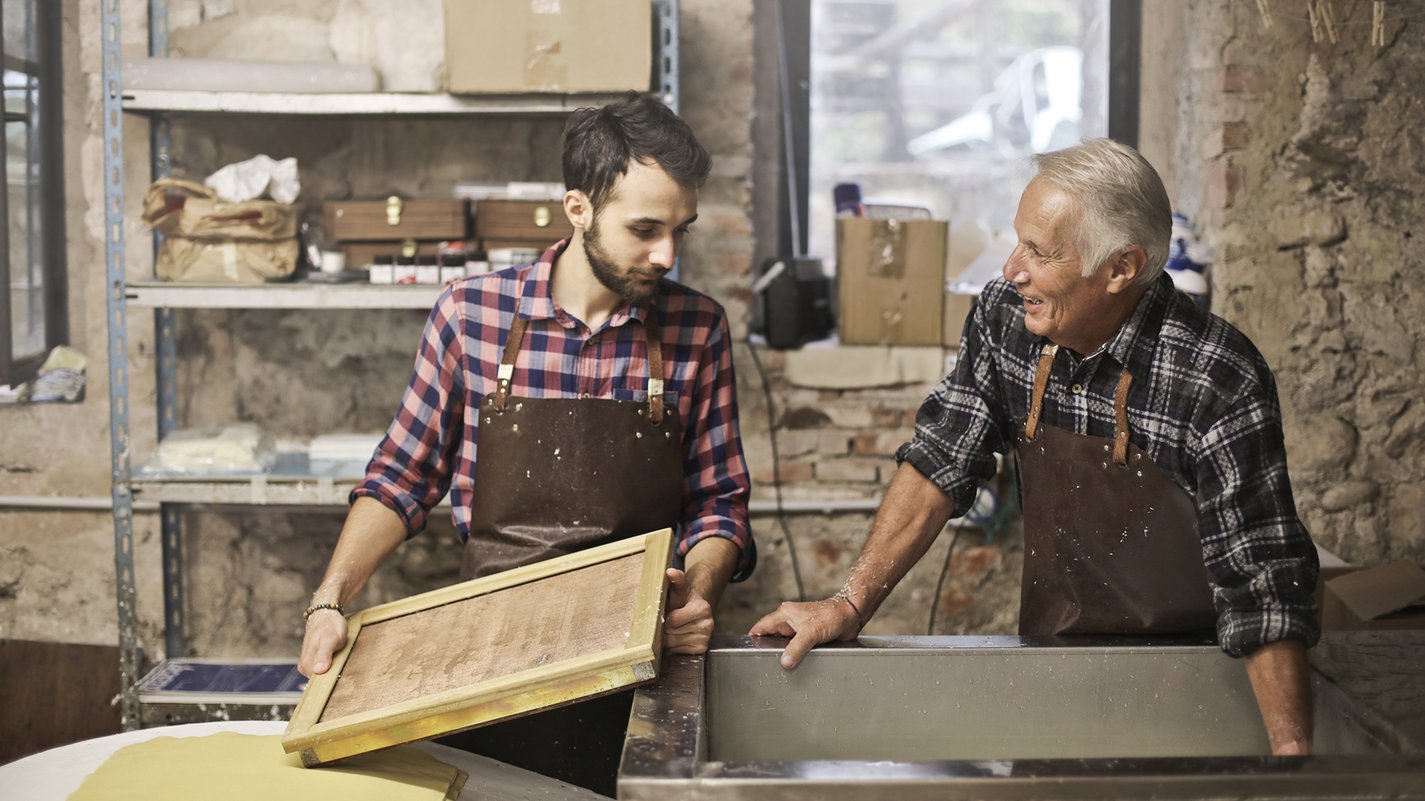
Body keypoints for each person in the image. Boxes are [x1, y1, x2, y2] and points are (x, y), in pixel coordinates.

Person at [751, 138, 1320, 757]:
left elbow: (1261, 585)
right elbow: (943, 458)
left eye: (1039, 253)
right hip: (1053, 668)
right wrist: (849, 602)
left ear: (1121, 268)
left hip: (1197, 686)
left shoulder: (1215, 376)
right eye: (1016, 241)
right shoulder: (1004, 321)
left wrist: (1289, 767)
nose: (1009, 270)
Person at [298, 93, 756, 794]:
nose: (666, 255)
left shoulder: (697, 329)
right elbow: (401, 477)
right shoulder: (470, 314)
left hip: (638, 668)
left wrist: (693, 599)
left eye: (680, 231)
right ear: (577, 208)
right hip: (491, 667)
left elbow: (719, 501)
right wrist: (330, 598)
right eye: (644, 229)